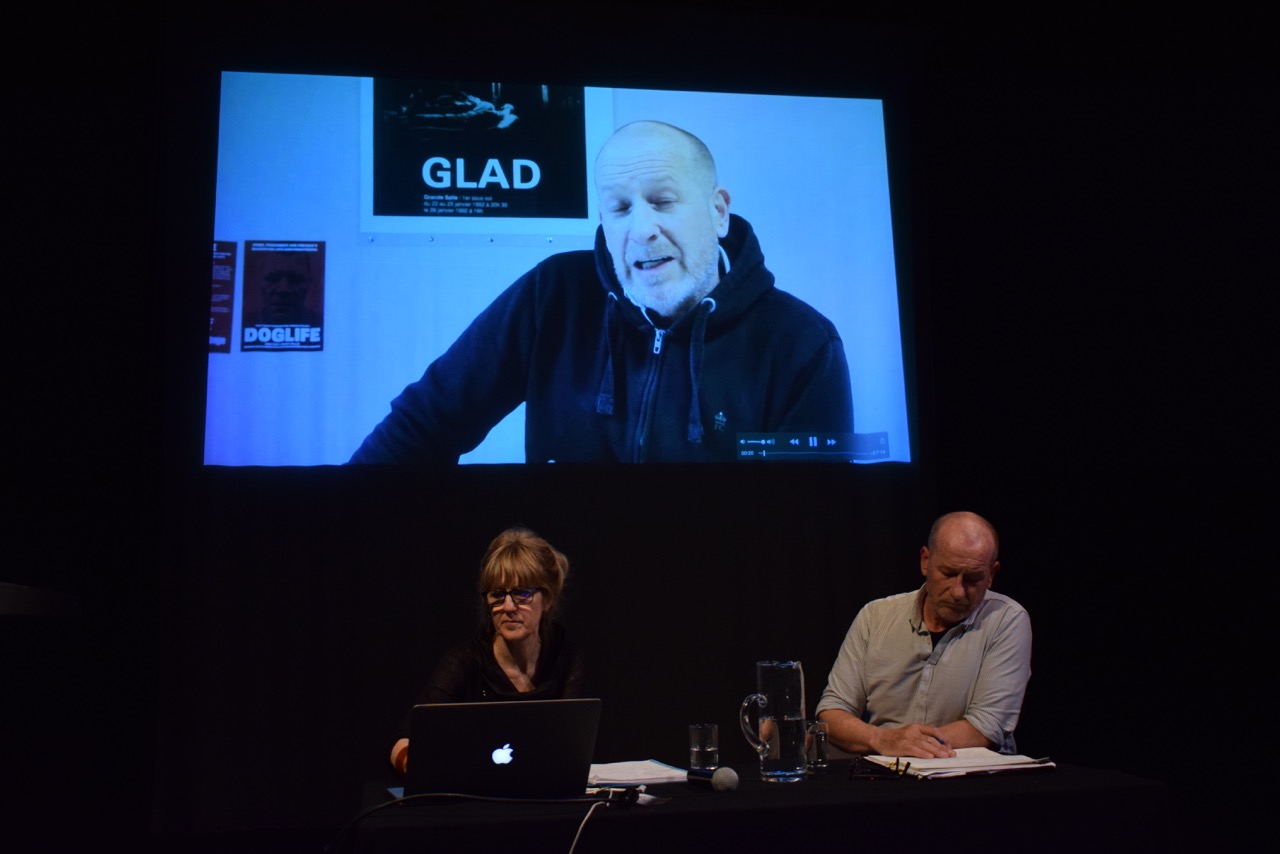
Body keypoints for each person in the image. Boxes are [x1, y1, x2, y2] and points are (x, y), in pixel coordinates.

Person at [350, 120, 853, 464]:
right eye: (620, 208)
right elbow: (423, 424)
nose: (642, 230)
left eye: (663, 201)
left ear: (718, 212)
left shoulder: (803, 344)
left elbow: (806, 521)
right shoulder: (553, 295)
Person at [815, 511, 1032, 757]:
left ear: (992, 574)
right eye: (948, 573)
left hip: (968, 774)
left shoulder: (1007, 619)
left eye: (973, 579)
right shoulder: (875, 616)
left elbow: (986, 727)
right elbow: (832, 713)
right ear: (925, 561)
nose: (958, 592)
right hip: (884, 772)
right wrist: (883, 739)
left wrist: (909, 745)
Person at [388, 527, 585, 777]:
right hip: (472, 795)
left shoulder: (565, 660)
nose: (508, 606)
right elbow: (403, 739)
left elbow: (570, 751)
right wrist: (419, 768)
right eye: (497, 595)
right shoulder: (465, 662)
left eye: (522, 593)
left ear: (547, 600)